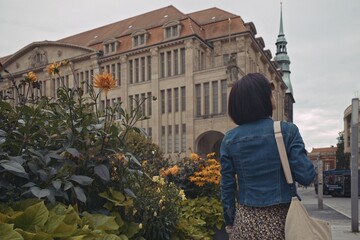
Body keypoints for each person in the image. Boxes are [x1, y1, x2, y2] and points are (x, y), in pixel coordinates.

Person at [220, 73, 316, 239]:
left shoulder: (229, 140)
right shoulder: (288, 131)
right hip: (283, 221)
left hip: (246, 223)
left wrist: (230, 222)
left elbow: (227, 189)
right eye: (270, 93)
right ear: (263, 99)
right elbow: (306, 176)